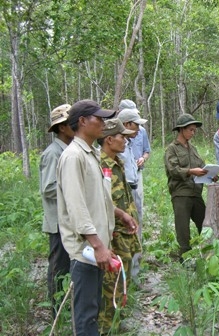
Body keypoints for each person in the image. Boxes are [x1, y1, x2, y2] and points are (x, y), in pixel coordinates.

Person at [57, 99, 136, 335]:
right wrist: (98, 244)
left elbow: (99, 200)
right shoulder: (73, 157)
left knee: (94, 308)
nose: (103, 123)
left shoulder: (90, 154)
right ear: (82, 121)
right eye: (98, 118)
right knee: (86, 316)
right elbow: (77, 206)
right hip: (85, 251)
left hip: (96, 247)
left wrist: (118, 217)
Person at [97, 119, 142, 333]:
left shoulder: (118, 162)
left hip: (126, 230)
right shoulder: (99, 163)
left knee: (123, 277)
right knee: (111, 281)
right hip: (112, 232)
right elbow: (100, 201)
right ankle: (106, 326)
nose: (125, 141)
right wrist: (122, 215)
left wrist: (130, 216)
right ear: (108, 139)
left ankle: (117, 318)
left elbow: (123, 196)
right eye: (121, 137)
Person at [39, 103, 74, 317]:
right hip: (58, 222)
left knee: (68, 267)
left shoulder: (67, 150)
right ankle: (56, 311)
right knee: (58, 267)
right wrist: (73, 188)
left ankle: (64, 305)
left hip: (69, 220)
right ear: (61, 127)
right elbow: (48, 188)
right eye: (71, 122)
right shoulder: (53, 154)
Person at [164, 114, 207, 261]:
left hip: (196, 192)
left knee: (205, 225)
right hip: (181, 193)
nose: (193, 133)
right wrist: (190, 171)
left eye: (195, 130)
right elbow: (173, 170)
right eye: (190, 130)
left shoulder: (193, 149)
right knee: (183, 229)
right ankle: (185, 260)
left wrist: (210, 173)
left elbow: (201, 166)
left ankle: (209, 255)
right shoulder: (172, 149)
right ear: (181, 129)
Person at [117, 107, 148, 283]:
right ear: (127, 124)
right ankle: (126, 277)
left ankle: (134, 274)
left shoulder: (128, 144)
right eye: (136, 125)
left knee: (136, 228)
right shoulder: (116, 144)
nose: (138, 130)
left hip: (133, 190)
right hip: (123, 193)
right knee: (126, 231)